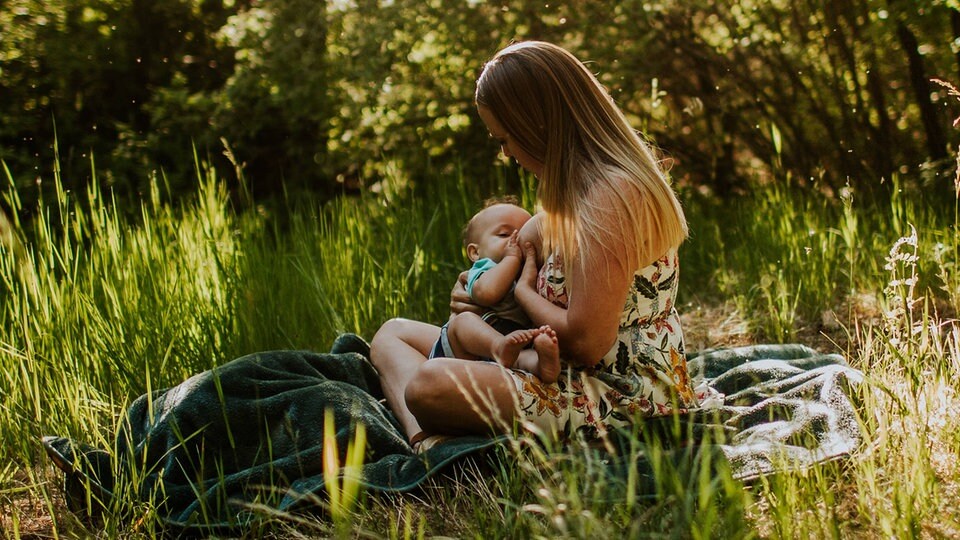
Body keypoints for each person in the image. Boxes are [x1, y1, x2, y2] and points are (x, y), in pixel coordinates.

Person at [369, 41, 700, 451]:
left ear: (537, 124)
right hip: (550, 366)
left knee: (428, 383)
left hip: (614, 389)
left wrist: (523, 294)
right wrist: (479, 294)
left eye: (506, 138)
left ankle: (432, 426)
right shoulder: (571, 196)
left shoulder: (611, 196)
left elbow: (587, 342)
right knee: (391, 335)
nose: (506, 153)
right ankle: (425, 438)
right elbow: (517, 260)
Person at [429, 199, 560, 384]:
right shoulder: (483, 269)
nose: (516, 239)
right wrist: (512, 258)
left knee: (528, 353)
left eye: (523, 232)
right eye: (505, 234)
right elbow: (488, 293)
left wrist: (530, 263)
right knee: (462, 321)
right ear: (475, 252)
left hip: (514, 348)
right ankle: (498, 346)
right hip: (470, 351)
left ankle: (542, 365)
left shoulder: (528, 270)